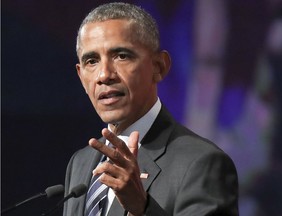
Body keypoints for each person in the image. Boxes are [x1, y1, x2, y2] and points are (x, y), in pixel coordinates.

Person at [63, 2, 239, 216]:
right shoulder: (80, 162)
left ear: (159, 67)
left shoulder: (203, 164)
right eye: (92, 61)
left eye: (121, 56)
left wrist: (142, 209)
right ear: (81, 77)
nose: (104, 75)